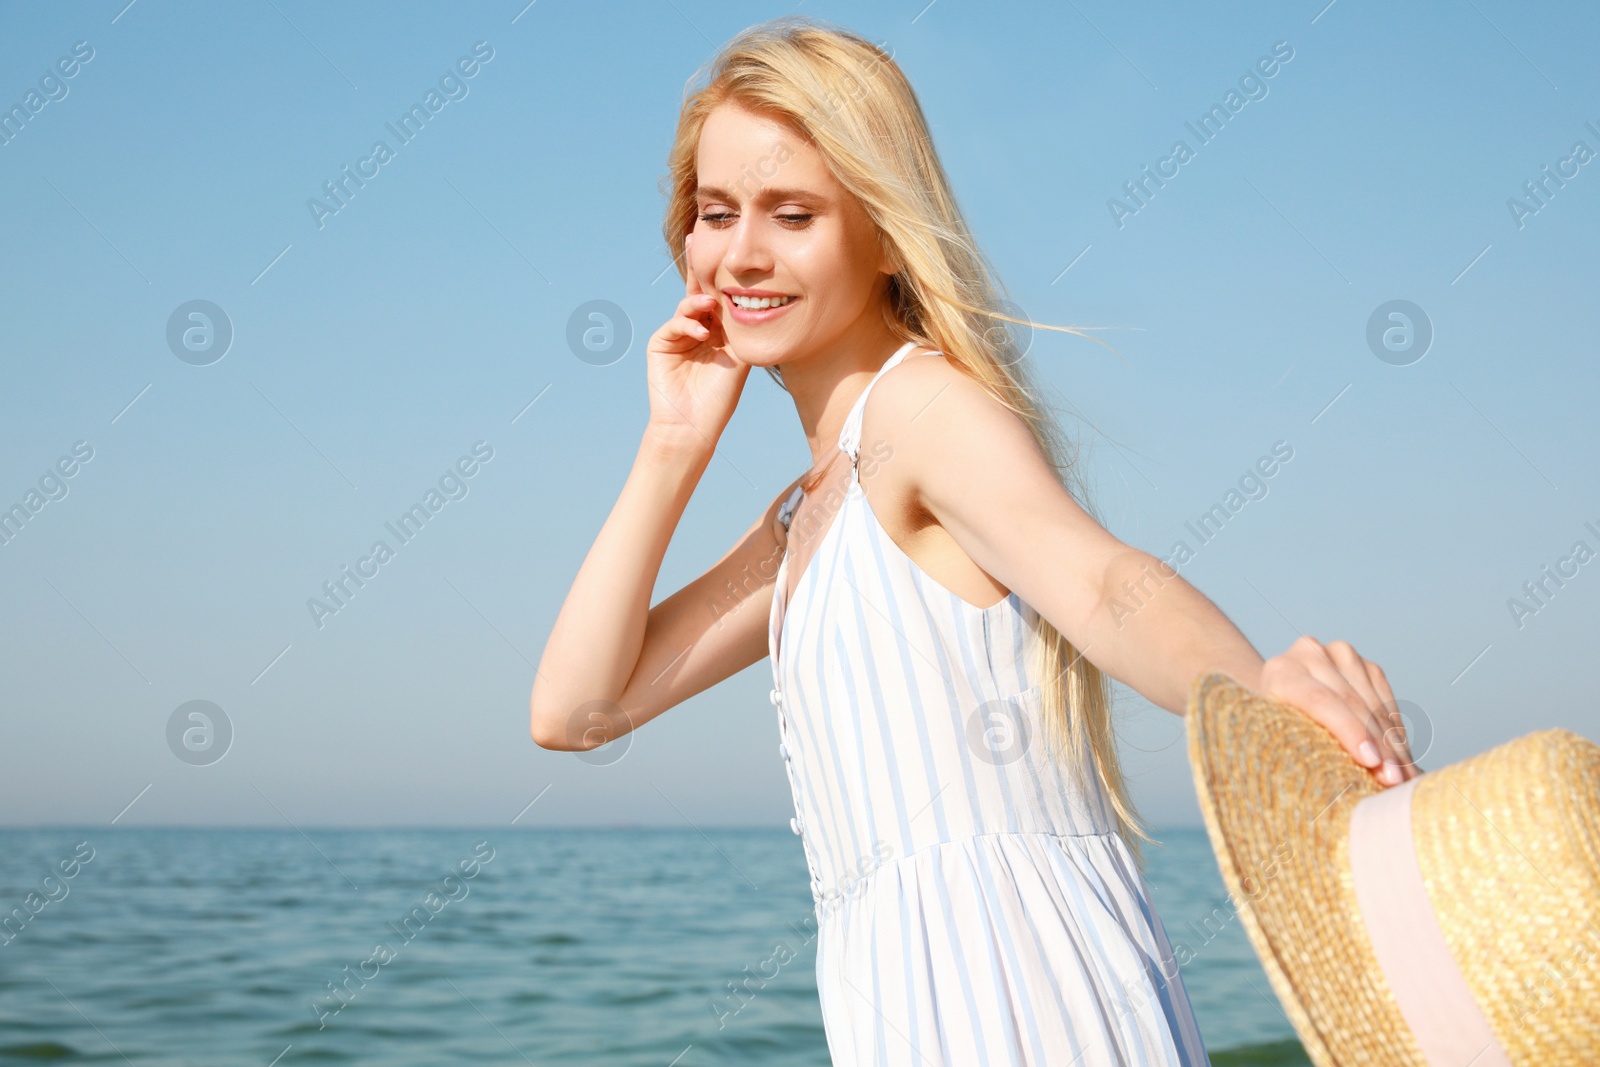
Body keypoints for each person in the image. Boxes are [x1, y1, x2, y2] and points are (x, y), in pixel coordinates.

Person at [529, 16, 1419, 1066]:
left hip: (1022, 996)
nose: (741, 254)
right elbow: (577, 709)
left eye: (794, 213)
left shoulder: (923, 416)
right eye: (715, 212)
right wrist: (674, 443)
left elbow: (1097, 577)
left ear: (882, 227)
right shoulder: (802, 515)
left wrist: (1260, 690)